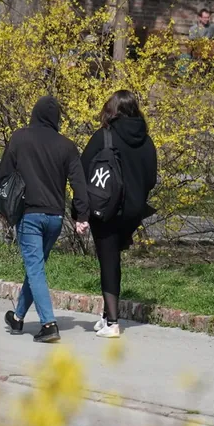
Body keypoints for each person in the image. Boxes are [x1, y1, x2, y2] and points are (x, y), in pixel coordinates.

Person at [0, 96, 91, 343]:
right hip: (55, 218)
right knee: (35, 268)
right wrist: (82, 215)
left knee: (35, 269)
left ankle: (49, 324)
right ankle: (17, 318)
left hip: (30, 215)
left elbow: (4, 176)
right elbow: (79, 183)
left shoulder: (20, 138)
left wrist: (2, 208)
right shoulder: (67, 146)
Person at [80, 91, 157, 338]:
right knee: (113, 258)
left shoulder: (104, 136)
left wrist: (79, 210)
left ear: (112, 111)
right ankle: (106, 316)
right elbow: (152, 178)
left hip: (108, 208)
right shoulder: (146, 141)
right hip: (134, 211)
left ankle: (112, 322)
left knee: (109, 260)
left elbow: (82, 170)